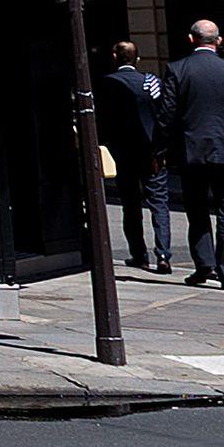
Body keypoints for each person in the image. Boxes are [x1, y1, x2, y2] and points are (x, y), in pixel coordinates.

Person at [162, 18, 224, 290]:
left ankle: (204, 265)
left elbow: (167, 115)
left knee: (196, 210)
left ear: (191, 39)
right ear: (218, 41)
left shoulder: (177, 70)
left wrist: (161, 150)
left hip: (192, 151)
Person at [96, 40, 171, 273]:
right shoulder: (151, 82)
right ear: (137, 59)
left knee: (130, 204)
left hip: (123, 152)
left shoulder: (106, 84)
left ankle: (138, 254)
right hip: (152, 153)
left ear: (114, 57)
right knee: (159, 203)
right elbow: (163, 116)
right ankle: (163, 254)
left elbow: (102, 120)